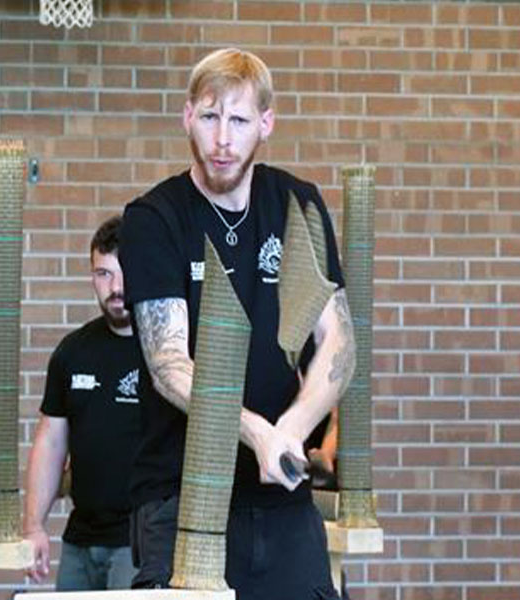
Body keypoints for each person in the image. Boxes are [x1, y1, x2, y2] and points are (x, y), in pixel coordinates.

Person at [119, 48, 356, 599]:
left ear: (266, 125)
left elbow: (339, 342)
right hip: (181, 496)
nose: (222, 140)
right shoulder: (154, 219)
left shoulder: (297, 204)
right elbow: (169, 364)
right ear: (187, 118)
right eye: (209, 117)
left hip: (281, 497)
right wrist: (258, 433)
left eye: (239, 120)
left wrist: (292, 431)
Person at [23, 216, 142, 591]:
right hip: (80, 541)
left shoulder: (167, 353)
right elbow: (50, 443)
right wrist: (34, 527)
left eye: (126, 272)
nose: (116, 287)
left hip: (140, 544)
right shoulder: (73, 352)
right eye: (104, 274)